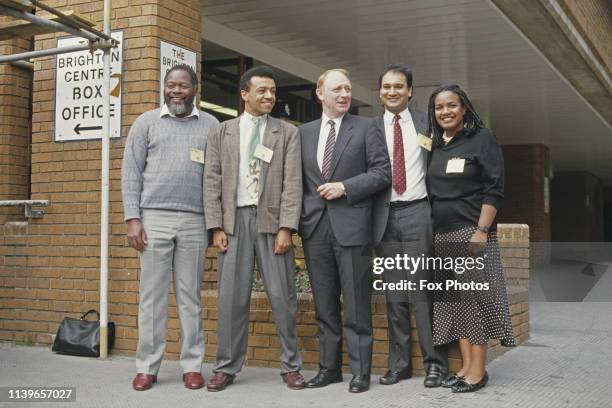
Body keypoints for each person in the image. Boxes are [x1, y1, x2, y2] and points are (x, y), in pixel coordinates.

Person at [203, 65, 305, 392]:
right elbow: (212, 181)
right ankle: (226, 367)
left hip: (272, 223)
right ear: (244, 93)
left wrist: (287, 227)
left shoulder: (286, 132)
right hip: (233, 223)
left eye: (273, 91)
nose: (269, 96)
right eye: (262, 90)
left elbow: (292, 183)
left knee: (283, 297)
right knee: (231, 299)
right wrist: (215, 226)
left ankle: (291, 366)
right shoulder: (222, 131)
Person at [121, 64, 219, 391]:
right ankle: (147, 366)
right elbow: (131, 173)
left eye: (183, 86)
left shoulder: (211, 125)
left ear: (195, 89)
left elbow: (217, 177)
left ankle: (192, 366)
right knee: (152, 296)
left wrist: (214, 223)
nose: (176, 91)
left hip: (195, 220)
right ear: (164, 88)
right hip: (153, 219)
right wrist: (133, 218)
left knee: (191, 296)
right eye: (170, 85)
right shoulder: (146, 123)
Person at [299, 68, 391, 393]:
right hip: (315, 230)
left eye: (348, 89)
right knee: (323, 306)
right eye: (337, 89)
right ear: (320, 93)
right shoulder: (304, 133)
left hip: (353, 228)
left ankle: (361, 372)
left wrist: (345, 187)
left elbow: (382, 173)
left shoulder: (367, 128)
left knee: (356, 305)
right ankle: (329, 369)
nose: (344, 95)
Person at [425, 84, 516, 393]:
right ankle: (464, 366)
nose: (445, 112)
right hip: (442, 235)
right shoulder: (438, 145)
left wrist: (481, 230)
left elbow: (495, 188)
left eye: (452, 105)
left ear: (464, 107)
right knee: (455, 304)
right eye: (439, 107)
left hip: (469, 234)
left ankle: (478, 371)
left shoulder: (482, 139)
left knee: (473, 303)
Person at [372, 64, 448, 387]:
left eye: (399, 86)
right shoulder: (369, 128)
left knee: (421, 290)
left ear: (410, 91)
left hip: (419, 212)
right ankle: (400, 364)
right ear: (380, 92)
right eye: (387, 86)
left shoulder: (426, 123)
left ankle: (435, 363)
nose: (392, 91)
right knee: (394, 294)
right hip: (384, 216)